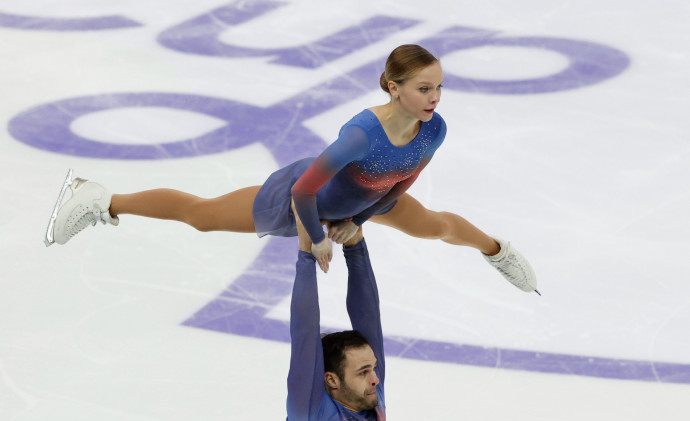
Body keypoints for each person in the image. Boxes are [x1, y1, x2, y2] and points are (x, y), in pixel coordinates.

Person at [44, 44, 539, 294]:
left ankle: (498, 252)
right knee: (202, 215)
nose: (433, 98)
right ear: (392, 86)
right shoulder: (361, 135)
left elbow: (408, 174)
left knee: (434, 224)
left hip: (370, 197)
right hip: (305, 196)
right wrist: (320, 237)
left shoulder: (434, 128)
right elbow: (305, 190)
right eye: (423, 89)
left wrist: (360, 220)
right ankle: (100, 198)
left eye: (438, 89)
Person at [287, 220, 390, 421]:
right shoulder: (313, 415)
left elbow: (369, 318)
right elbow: (304, 332)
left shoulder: (369, 397)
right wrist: (306, 253)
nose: (376, 378)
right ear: (332, 380)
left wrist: (355, 244)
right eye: (364, 371)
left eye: (372, 369)